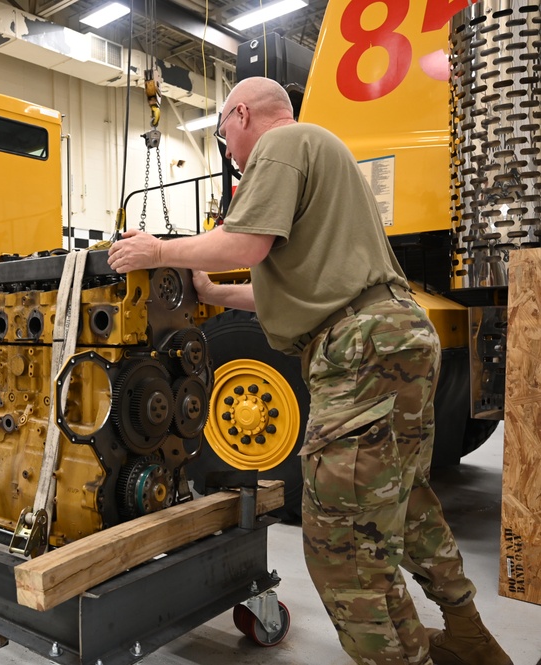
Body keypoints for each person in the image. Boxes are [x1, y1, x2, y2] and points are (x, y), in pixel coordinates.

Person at [107, 77, 510, 665]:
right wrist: (217, 292)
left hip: (357, 351)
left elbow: (246, 245)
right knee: (406, 504)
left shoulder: (282, 144)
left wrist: (157, 252)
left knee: (341, 541)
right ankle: (470, 638)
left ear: (243, 114)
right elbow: (300, 292)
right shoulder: (325, 157)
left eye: (223, 136)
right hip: (395, 334)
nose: (227, 151)